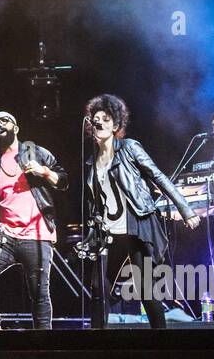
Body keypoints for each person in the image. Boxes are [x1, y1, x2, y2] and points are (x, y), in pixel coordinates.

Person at [82, 94, 199, 328]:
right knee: (98, 290)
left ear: (115, 125)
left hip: (136, 227)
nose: (100, 123)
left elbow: (158, 177)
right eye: (96, 119)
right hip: (108, 233)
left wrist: (186, 210)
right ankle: (96, 346)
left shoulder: (129, 148)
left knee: (146, 289)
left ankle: (161, 345)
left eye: (106, 119)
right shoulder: (90, 162)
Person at [0, 111, 68, 330]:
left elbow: (63, 180)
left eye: (4, 120)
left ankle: (43, 341)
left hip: (36, 235)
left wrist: (43, 171)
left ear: (16, 128)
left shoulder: (35, 151)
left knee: (39, 292)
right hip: (5, 235)